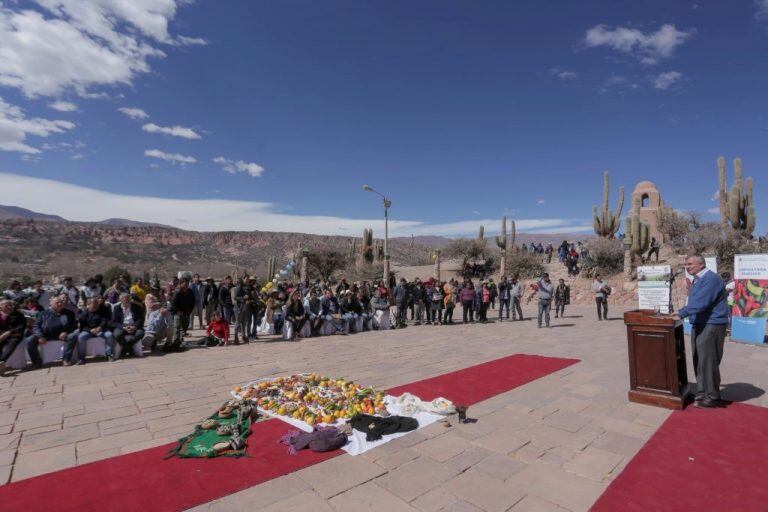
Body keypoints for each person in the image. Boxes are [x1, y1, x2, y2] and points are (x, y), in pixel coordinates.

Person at [674, 255, 730, 408]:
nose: (687, 266)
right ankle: (702, 391)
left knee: (708, 360)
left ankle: (713, 396)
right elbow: (694, 301)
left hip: (711, 324)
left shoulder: (710, 279)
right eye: (685, 264)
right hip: (699, 323)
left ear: (701, 264)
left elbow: (701, 302)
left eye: (690, 263)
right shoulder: (696, 279)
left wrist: (681, 313)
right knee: (698, 359)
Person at [25, 296, 78, 369]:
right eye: (57, 303)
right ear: (51, 304)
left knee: (72, 336)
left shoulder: (69, 313)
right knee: (30, 340)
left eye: (61, 302)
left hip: (62, 335)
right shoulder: (43, 313)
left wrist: (66, 332)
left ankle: (66, 359)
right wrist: (40, 336)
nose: (60, 304)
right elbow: (36, 326)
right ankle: (36, 362)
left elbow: (74, 325)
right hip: (45, 335)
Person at [69, 296, 114, 365]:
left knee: (109, 335)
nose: (97, 305)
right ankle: (81, 358)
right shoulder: (84, 313)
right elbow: (82, 326)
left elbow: (104, 321)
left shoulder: (103, 309)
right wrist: (90, 330)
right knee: (81, 337)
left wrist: (100, 328)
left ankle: (109, 355)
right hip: (88, 330)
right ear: (88, 304)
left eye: (97, 303)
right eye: (94, 304)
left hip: (100, 330)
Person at [112, 292, 145, 360]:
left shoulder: (137, 307)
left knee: (140, 333)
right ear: (120, 300)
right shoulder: (116, 308)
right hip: (122, 326)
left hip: (133, 325)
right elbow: (114, 322)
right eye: (124, 301)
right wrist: (123, 327)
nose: (127, 302)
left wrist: (134, 327)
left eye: (128, 300)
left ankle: (125, 348)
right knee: (117, 334)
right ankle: (129, 349)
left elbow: (140, 319)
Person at [169, 277, 195, 352]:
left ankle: (180, 339)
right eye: (185, 283)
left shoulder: (190, 291)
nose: (187, 285)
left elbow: (193, 302)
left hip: (186, 312)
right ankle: (176, 342)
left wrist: (189, 311)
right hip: (178, 313)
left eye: (188, 283)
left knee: (184, 327)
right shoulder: (177, 292)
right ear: (181, 283)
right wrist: (178, 311)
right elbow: (173, 304)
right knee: (177, 327)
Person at [0, 299, 26, 375]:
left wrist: (9, 332)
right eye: (6, 305)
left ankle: (2, 361)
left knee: (12, 344)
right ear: (0, 306)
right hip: (1, 335)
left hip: (14, 335)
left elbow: (21, 326)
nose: (9, 307)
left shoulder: (18, 314)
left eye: (10, 305)